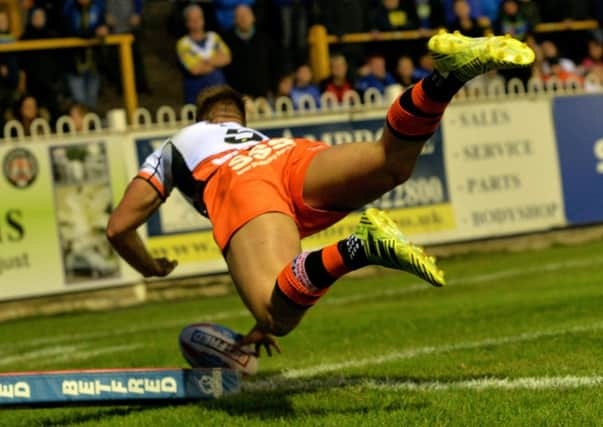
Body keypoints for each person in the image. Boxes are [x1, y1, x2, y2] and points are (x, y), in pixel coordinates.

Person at [106, 31, 534, 354]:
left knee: (275, 315)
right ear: (237, 117)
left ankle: (358, 247)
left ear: (202, 118)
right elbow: (278, 246)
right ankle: (444, 78)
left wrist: (150, 267)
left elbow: (119, 228)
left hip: (240, 179)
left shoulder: (178, 142)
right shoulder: (251, 134)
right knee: (390, 162)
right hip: (288, 155)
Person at [177, 4, 231, 105]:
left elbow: (227, 58)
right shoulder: (183, 44)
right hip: (196, 95)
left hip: (219, 91)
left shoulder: (214, 37)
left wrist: (205, 62)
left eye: (199, 17)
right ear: (187, 23)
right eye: (193, 19)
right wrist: (215, 61)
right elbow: (195, 69)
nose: (197, 21)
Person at [223, 4, 273, 98]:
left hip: (263, 95)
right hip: (238, 96)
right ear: (235, 20)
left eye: (246, 15)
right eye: (239, 16)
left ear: (253, 17)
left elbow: (273, 65)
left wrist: (272, 88)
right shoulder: (227, 40)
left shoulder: (264, 39)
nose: (243, 19)